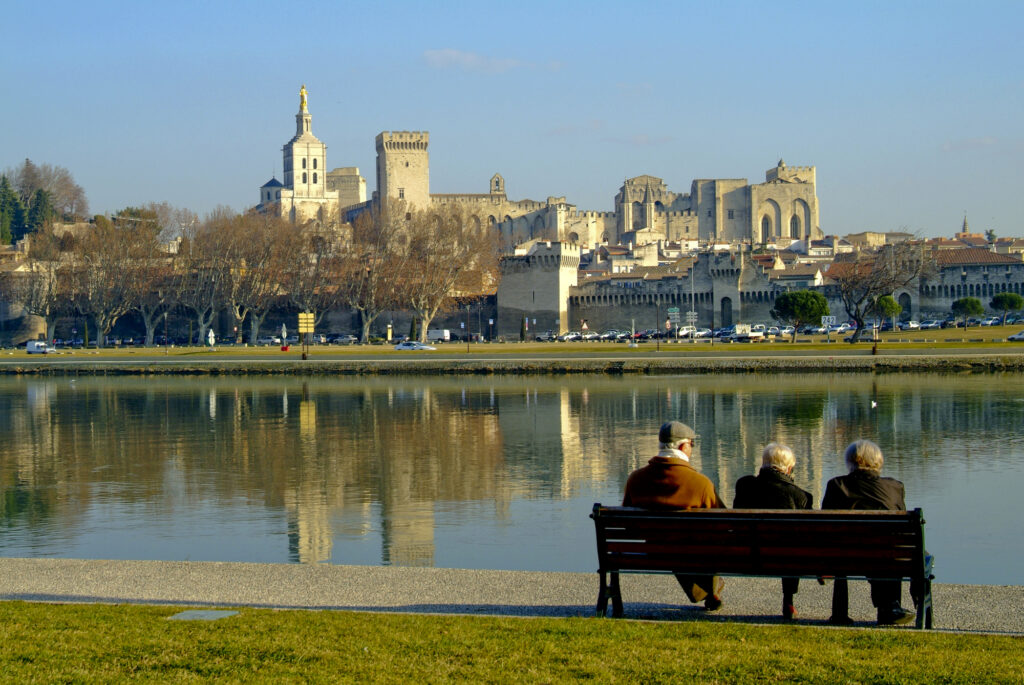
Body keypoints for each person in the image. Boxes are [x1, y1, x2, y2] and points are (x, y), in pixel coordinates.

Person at [623, 421, 726, 610]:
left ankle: (704, 591)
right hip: (691, 551)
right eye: (691, 445)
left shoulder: (635, 479)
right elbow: (724, 523)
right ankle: (708, 590)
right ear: (682, 446)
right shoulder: (700, 484)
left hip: (653, 552)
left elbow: (628, 526)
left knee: (674, 541)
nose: (692, 449)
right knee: (701, 541)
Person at [822, 439, 916, 626]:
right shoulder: (894, 487)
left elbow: (825, 525)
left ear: (850, 461)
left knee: (872, 548)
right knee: (892, 546)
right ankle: (890, 607)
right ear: (878, 462)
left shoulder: (837, 485)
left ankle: (844, 613)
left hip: (845, 556)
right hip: (889, 555)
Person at [733, 442, 812, 619]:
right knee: (793, 545)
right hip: (785, 557)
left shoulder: (744, 485)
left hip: (744, 554)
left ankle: (712, 597)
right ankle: (788, 601)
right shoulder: (802, 496)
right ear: (789, 468)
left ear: (763, 464)